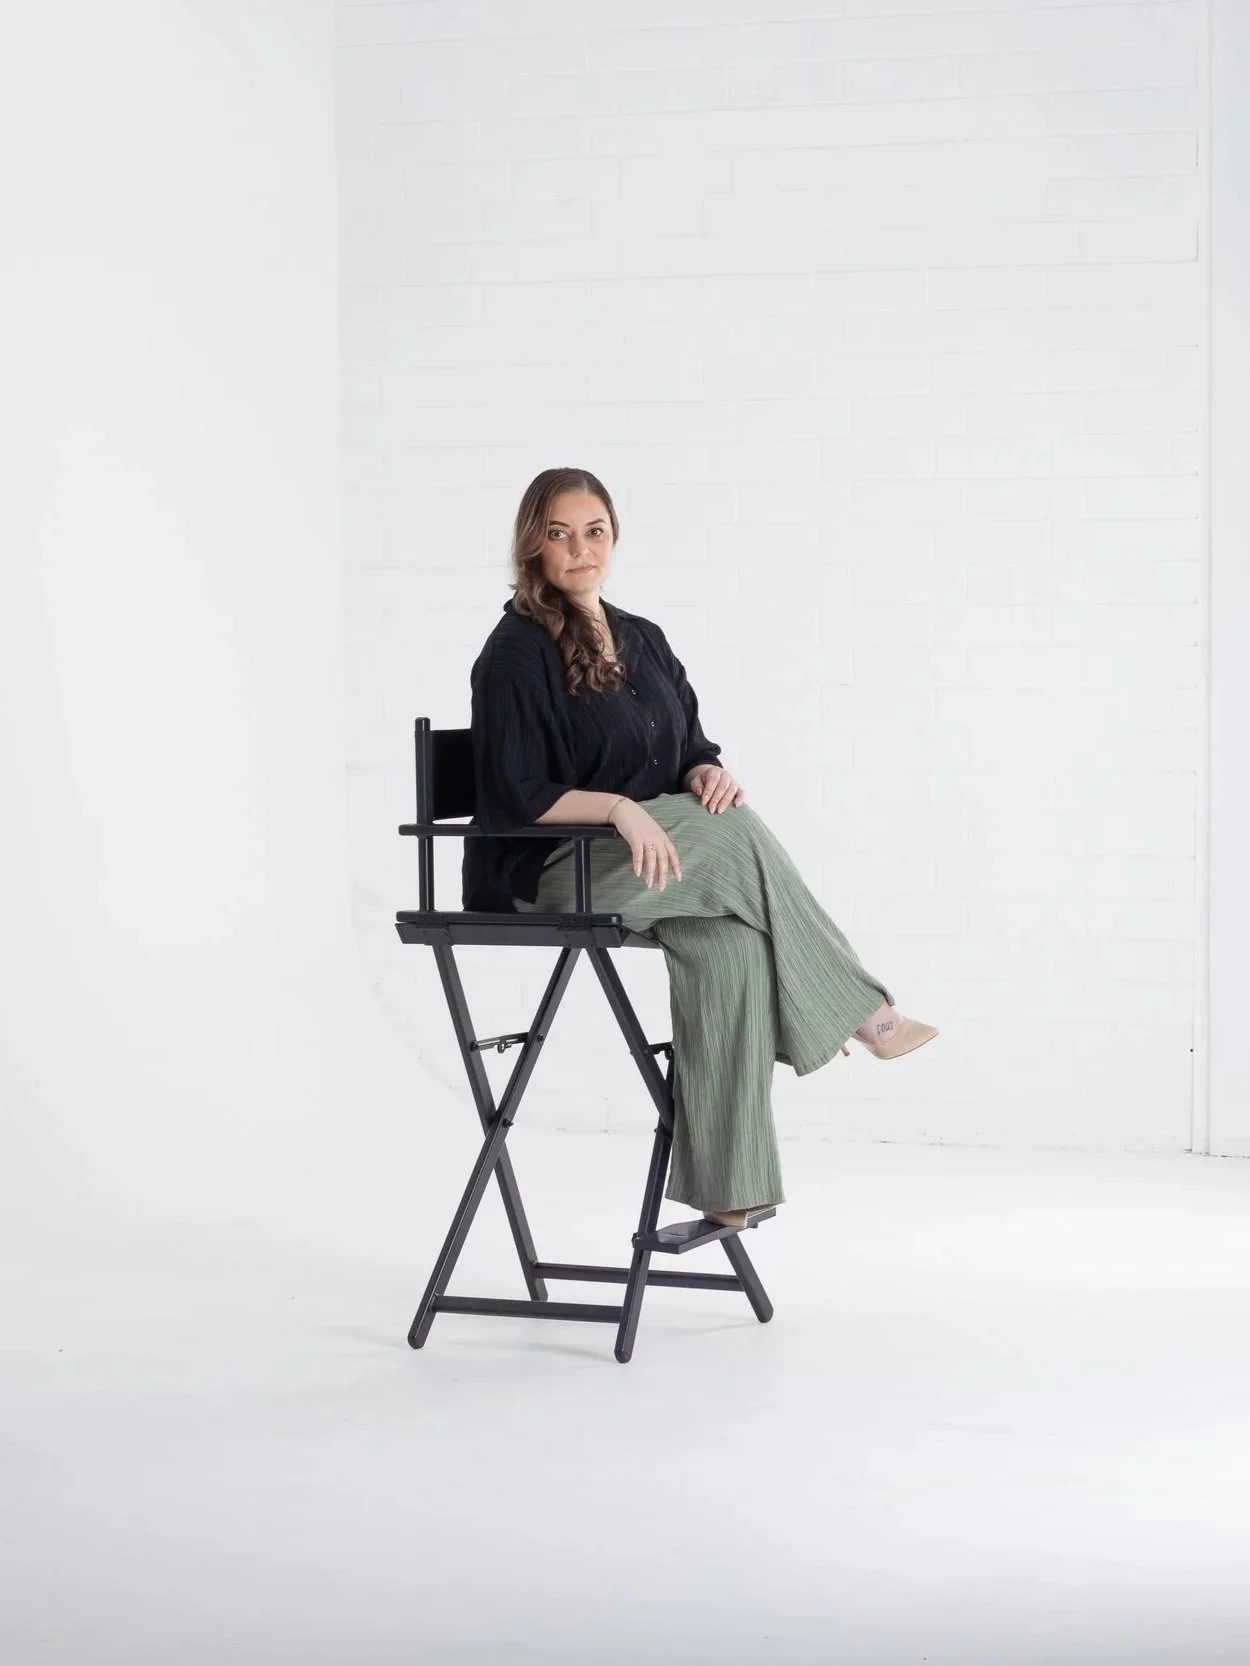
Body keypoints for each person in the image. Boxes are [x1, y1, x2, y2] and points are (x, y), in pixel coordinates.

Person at [463, 467, 937, 1232]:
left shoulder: (642, 638)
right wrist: (620, 810)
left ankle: (729, 1184)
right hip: (549, 870)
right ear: (534, 545)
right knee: (737, 836)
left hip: (646, 862)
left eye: (595, 531)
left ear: (614, 537)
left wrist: (706, 772)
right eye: (560, 534)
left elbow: (685, 746)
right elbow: (516, 793)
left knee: (730, 946)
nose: (580, 549)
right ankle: (859, 1007)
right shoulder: (515, 652)